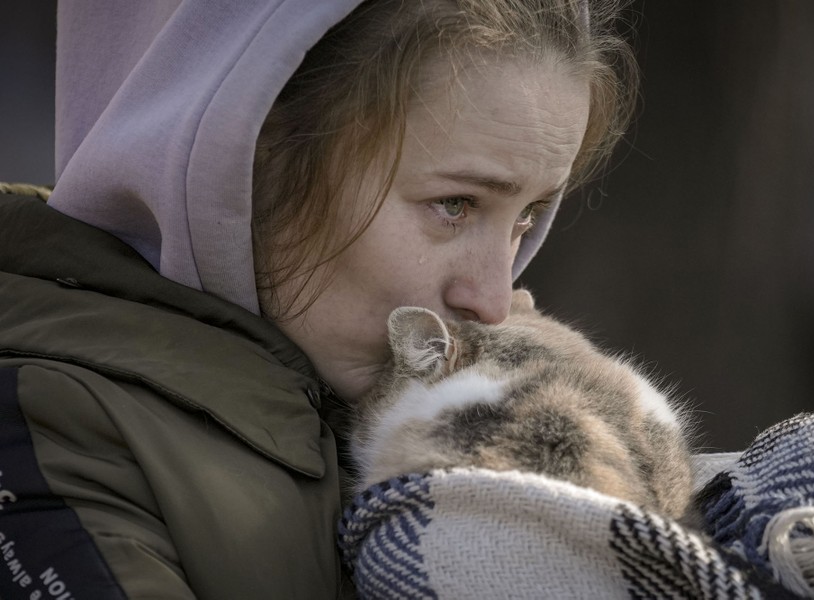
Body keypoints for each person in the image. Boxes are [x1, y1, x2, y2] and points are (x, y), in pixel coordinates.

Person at [0, 0, 636, 597]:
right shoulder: (43, 434)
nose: (494, 299)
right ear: (244, 152)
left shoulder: (457, 409)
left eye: (526, 217)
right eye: (455, 205)